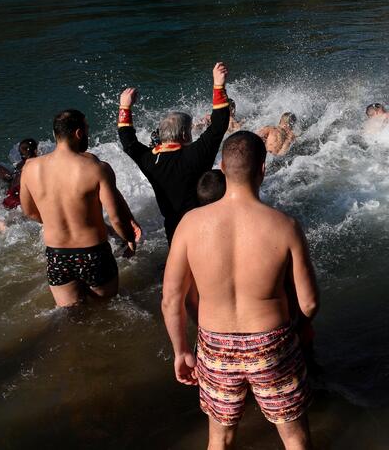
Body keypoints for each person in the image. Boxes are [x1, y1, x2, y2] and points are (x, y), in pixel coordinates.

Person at [162, 132, 318, 450]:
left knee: (220, 438)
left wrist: (181, 350)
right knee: (293, 438)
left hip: (215, 345)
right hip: (272, 343)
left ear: (222, 166)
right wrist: (300, 329)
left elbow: (171, 300)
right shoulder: (284, 225)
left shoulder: (190, 224)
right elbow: (310, 302)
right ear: (262, 168)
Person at [19, 110, 139, 307]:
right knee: (108, 309)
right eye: (87, 129)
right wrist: (129, 239)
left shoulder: (30, 168)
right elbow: (116, 217)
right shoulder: (96, 168)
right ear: (78, 133)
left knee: (72, 315)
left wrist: (54, 220)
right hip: (94, 253)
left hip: (57, 255)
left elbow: (30, 212)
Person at [118, 62, 231, 244]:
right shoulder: (195, 155)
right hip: (202, 227)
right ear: (185, 134)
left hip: (174, 230)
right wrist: (218, 84)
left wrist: (125, 107)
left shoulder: (150, 160)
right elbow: (219, 125)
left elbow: (128, 142)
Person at [2, 138, 39, 210]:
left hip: (9, 197)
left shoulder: (19, 165)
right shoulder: (36, 164)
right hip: (19, 199)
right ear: (35, 151)